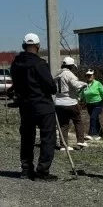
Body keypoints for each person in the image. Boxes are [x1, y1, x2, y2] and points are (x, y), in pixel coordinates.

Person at [10, 33, 58, 181]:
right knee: (47, 138)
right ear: (37, 46)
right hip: (43, 105)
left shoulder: (15, 64)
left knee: (27, 138)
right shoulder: (40, 64)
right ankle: (42, 171)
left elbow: (16, 85)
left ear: (24, 46)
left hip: (25, 106)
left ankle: (26, 170)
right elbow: (51, 86)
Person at [54, 57, 88, 151]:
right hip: (70, 102)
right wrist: (84, 84)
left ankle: (63, 145)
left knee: (63, 124)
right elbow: (75, 85)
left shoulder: (57, 75)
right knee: (78, 121)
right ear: (71, 66)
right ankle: (80, 140)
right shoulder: (69, 74)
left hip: (59, 103)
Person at [80, 69, 103, 141]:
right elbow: (82, 94)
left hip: (98, 104)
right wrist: (78, 99)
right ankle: (101, 134)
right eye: (87, 75)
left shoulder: (97, 83)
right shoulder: (85, 85)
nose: (89, 77)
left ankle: (92, 134)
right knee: (95, 119)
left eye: (90, 75)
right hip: (89, 105)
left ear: (94, 76)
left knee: (93, 118)